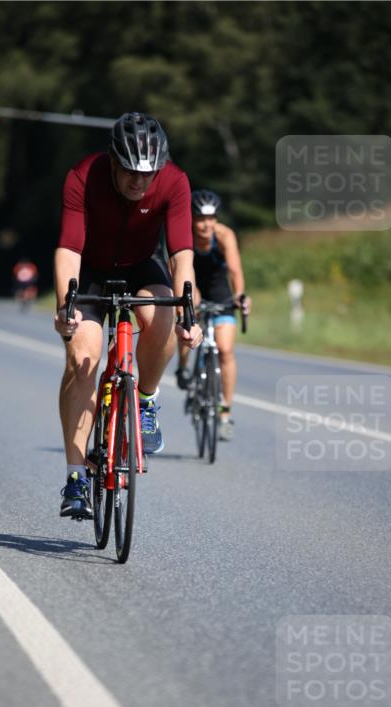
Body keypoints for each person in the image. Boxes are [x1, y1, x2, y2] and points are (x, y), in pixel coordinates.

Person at [54, 111, 202, 519]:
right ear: (113, 161)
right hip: (90, 270)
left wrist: (188, 313)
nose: (140, 182)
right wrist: (65, 307)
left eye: (148, 173)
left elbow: (181, 254)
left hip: (140, 265)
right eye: (131, 172)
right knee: (83, 358)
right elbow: (69, 248)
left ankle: (146, 400)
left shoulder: (174, 181)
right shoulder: (83, 176)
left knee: (163, 317)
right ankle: (75, 477)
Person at [176, 189, 250, 441]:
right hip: (192, 287)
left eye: (211, 218)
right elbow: (176, 267)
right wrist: (185, 298)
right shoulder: (183, 234)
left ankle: (225, 412)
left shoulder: (224, 236)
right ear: (192, 218)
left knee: (226, 350)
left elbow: (235, 270)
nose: (207, 224)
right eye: (200, 218)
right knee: (187, 317)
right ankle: (183, 368)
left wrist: (239, 295)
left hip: (220, 293)